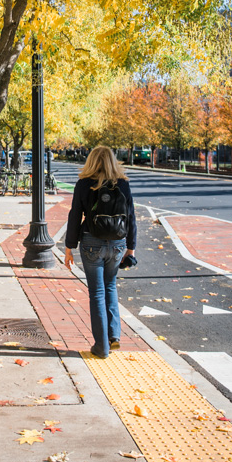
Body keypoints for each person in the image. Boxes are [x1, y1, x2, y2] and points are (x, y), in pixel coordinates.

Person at [63, 146, 136, 358]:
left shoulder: (84, 184)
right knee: (110, 286)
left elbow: (75, 215)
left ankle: (101, 346)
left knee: (96, 292)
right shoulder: (122, 184)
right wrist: (130, 247)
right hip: (117, 244)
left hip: (91, 242)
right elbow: (130, 217)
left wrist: (69, 248)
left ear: (91, 161)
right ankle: (115, 336)